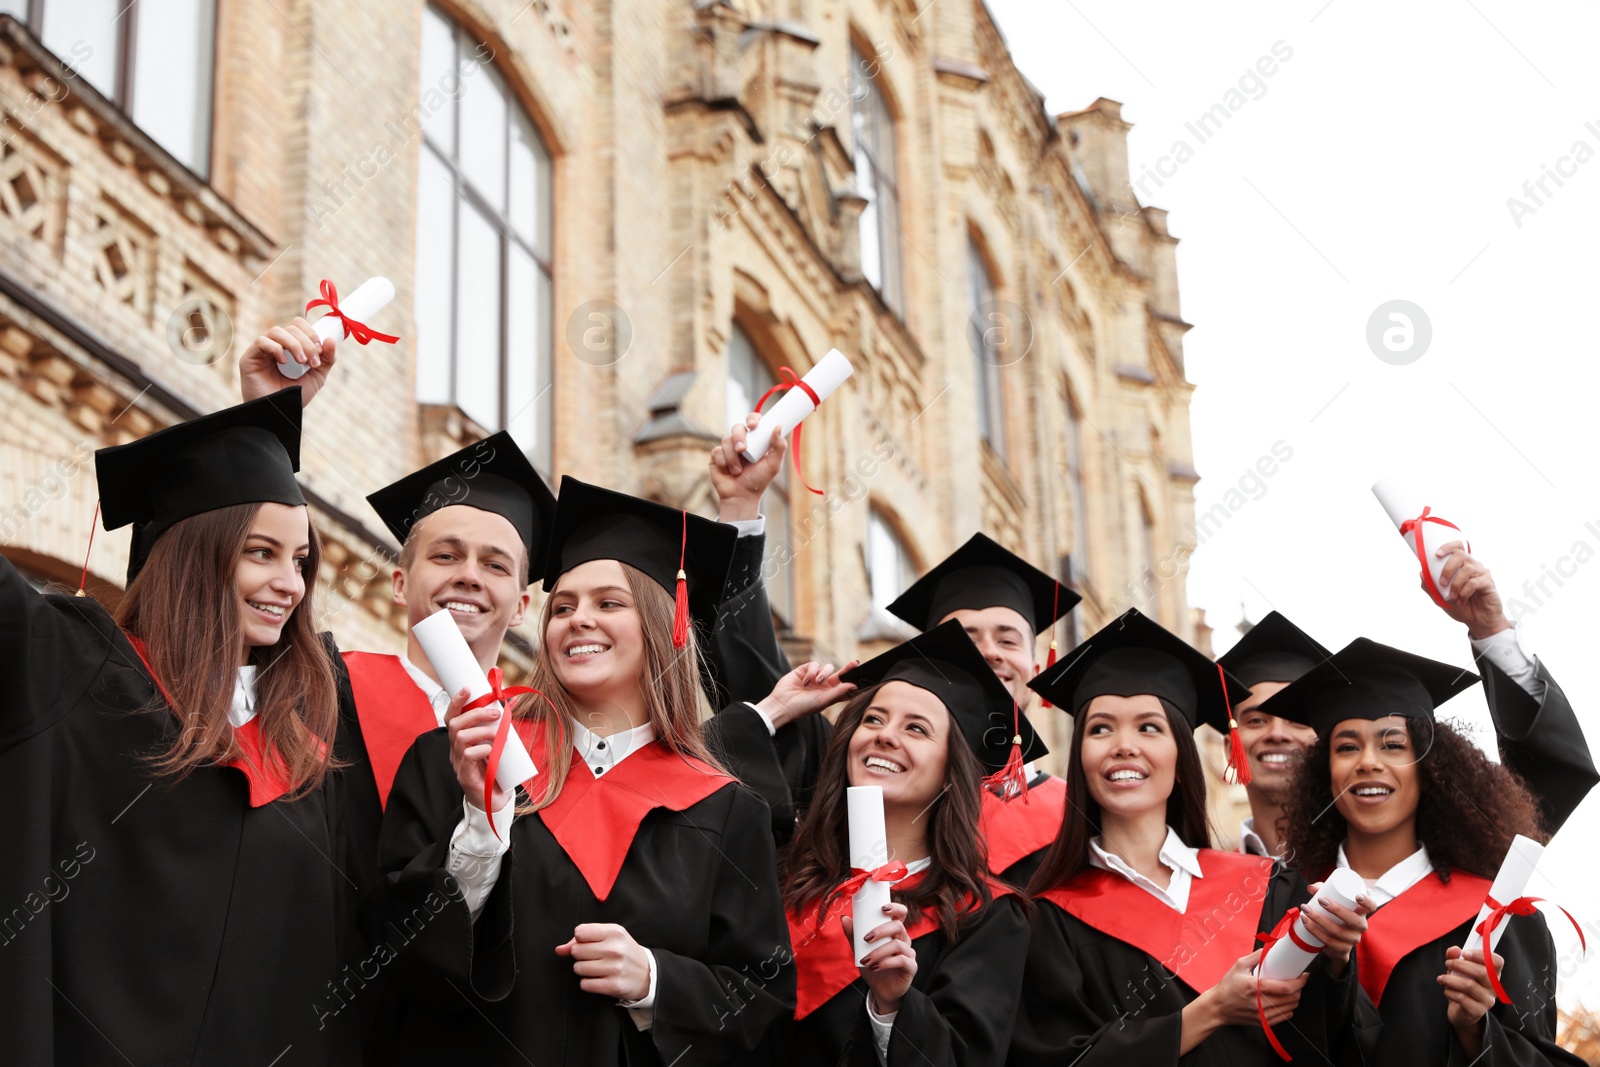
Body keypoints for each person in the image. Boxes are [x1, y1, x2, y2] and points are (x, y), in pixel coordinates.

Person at [376, 477, 794, 1065]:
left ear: (662, 626)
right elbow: (396, 952)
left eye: (609, 603)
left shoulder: (725, 809)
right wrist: (480, 821)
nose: (578, 620)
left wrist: (655, 980)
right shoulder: (461, 757)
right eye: (563, 606)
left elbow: (763, 1001)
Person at [0, 391, 360, 1065]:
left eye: (301, 560)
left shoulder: (311, 749)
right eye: (262, 552)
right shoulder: (77, 669)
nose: (290, 582)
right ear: (196, 554)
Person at [1010, 609, 1371, 1067]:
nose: (1124, 745)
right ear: (1080, 756)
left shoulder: (1268, 886)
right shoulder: (1046, 919)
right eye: (1100, 728)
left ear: (1182, 757)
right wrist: (1207, 1013)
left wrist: (1336, 959)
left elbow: (1329, 1043)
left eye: (1149, 727)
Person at [1270, 638, 1584, 1065]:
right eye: (1346, 746)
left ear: (1429, 766)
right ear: (1324, 771)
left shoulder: (1495, 920)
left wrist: (1475, 1030)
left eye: (1393, 744)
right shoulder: (1278, 903)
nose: (1367, 762)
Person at [760, 620, 1030, 1067]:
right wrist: (774, 710)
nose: (885, 735)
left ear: (951, 772)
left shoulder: (985, 917)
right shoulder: (780, 874)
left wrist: (892, 1006)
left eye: (917, 729)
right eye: (873, 719)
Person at [1215, 611, 1330, 860]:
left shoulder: (1369, 874)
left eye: (1298, 720)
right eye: (1256, 720)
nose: (1277, 734)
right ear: (1230, 749)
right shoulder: (1206, 888)